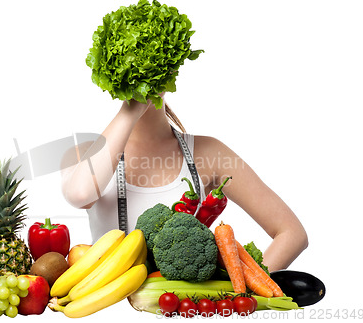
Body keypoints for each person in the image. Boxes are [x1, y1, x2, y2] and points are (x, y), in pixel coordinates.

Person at [61, 94, 308, 273]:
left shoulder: (210, 152)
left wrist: (245, 292)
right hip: (106, 312)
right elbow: (80, 194)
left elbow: (292, 233)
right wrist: (131, 109)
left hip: (186, 312)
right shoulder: (83, 154)